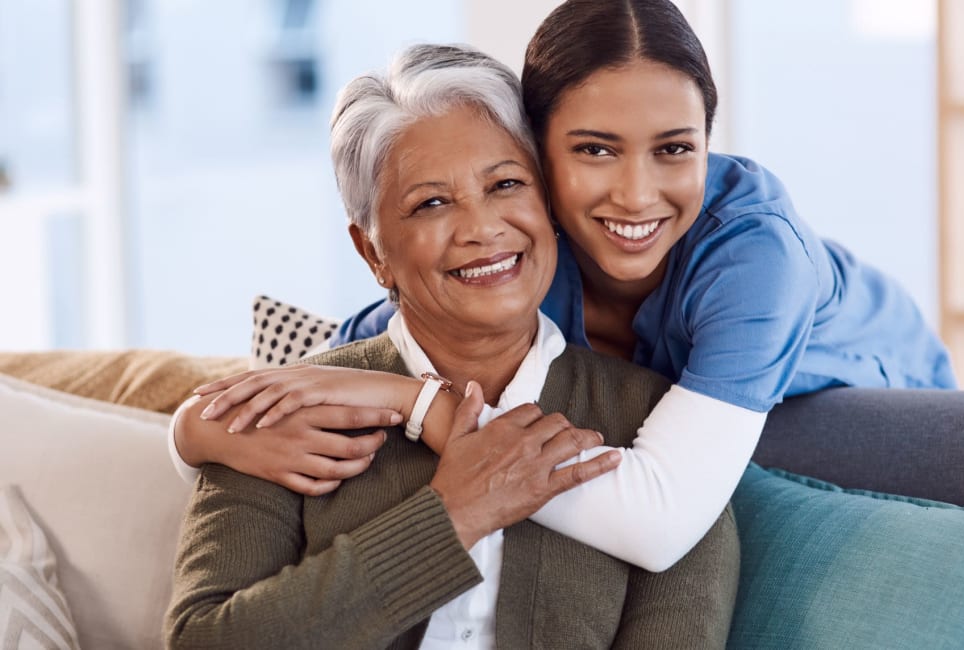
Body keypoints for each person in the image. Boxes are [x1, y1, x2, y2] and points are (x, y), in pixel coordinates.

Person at [174, 0, 955, 568]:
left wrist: (423, 408)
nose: (638, 195)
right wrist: (190, 435)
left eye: (675, 148)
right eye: (594, 150)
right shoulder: (523, 255)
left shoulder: (753, 256)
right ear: (537, 156)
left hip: (880, 408)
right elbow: (338, 366)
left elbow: (658, 524)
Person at [165, 44, 739, 649]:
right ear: (373, 253)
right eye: (431, 203)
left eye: (506, 184)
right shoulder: (286, 411)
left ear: (548, 205)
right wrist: (452, 516)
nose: (482, 229)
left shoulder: (657, 434)